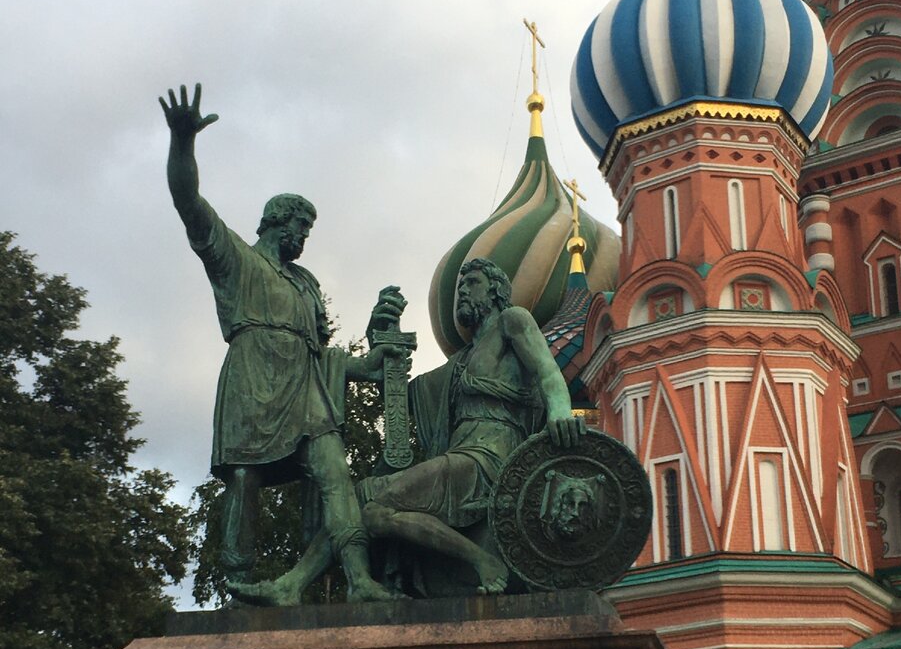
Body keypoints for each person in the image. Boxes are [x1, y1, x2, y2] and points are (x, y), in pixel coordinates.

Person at [160, 83, 403, 600]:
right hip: (253, 376)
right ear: (277, 221)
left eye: (308, 230)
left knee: (337, 474)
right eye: (301, 226)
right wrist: (183, 143)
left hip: (304, 388)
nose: (304, 237)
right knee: (245, 479)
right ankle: (239, 582)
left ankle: (360, 580)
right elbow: (189, 203)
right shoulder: (237, 260)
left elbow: (324, 357)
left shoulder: (307, 282)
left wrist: (370, 361)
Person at [230, 257, 585, 603]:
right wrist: (382, 341)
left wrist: (560, 411)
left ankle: (484, 561)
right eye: (459, 285)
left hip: (491, 459)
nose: (461, 291)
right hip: (460, 458)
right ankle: (292, 585)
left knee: (373, 508)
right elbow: (402, 397)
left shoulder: (513, 320)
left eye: (471, 283)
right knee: (356, 500)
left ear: (495, 291)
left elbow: (548, 372)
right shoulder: (462, 360)